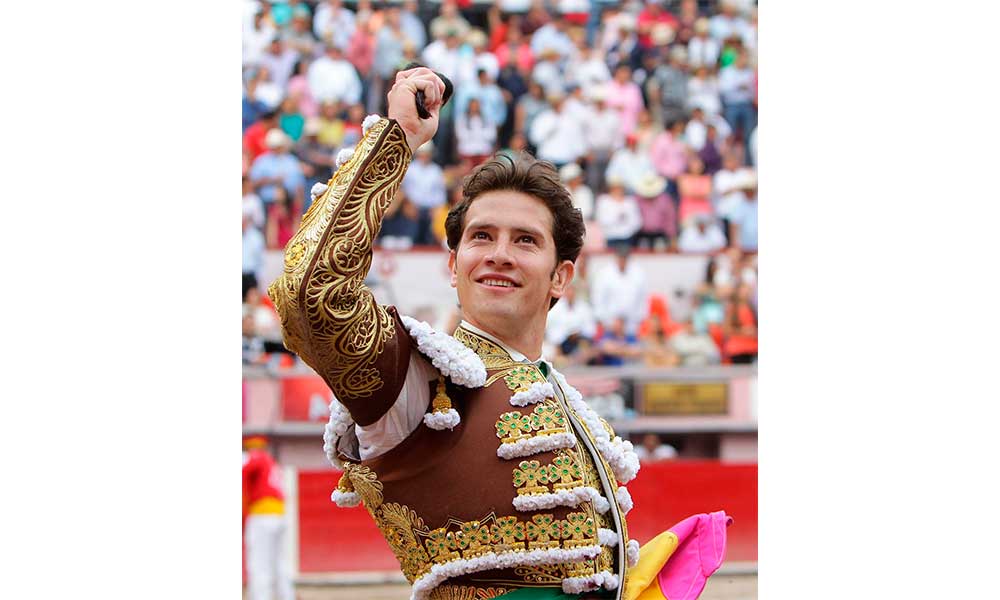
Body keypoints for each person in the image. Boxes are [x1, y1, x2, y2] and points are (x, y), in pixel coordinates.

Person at [268, 66, 727, 599]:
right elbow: (310, 292)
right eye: (481, 236)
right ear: (454, 265)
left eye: (525, 240)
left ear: (561, 277)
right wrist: (397, 139)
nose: (499, 255)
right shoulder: (419, 384)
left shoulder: (561, 397)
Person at [242, 435, 294, 600]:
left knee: (259, 563)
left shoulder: (255, 458)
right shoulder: (272, 463)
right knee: (280, 563)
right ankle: (287, 596)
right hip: (279, 515)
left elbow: (243, 473)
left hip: (261, 516)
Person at [401, 141, 447, 246]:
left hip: (431, 209)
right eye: (423, 154)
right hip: (413, 207)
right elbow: (402, 190)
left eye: (427, 154)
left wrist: (436, 208)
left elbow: (441, 194)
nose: (424, 156)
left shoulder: (436, 170)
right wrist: (408, 203)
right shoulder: (409, 169)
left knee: (439, 217)